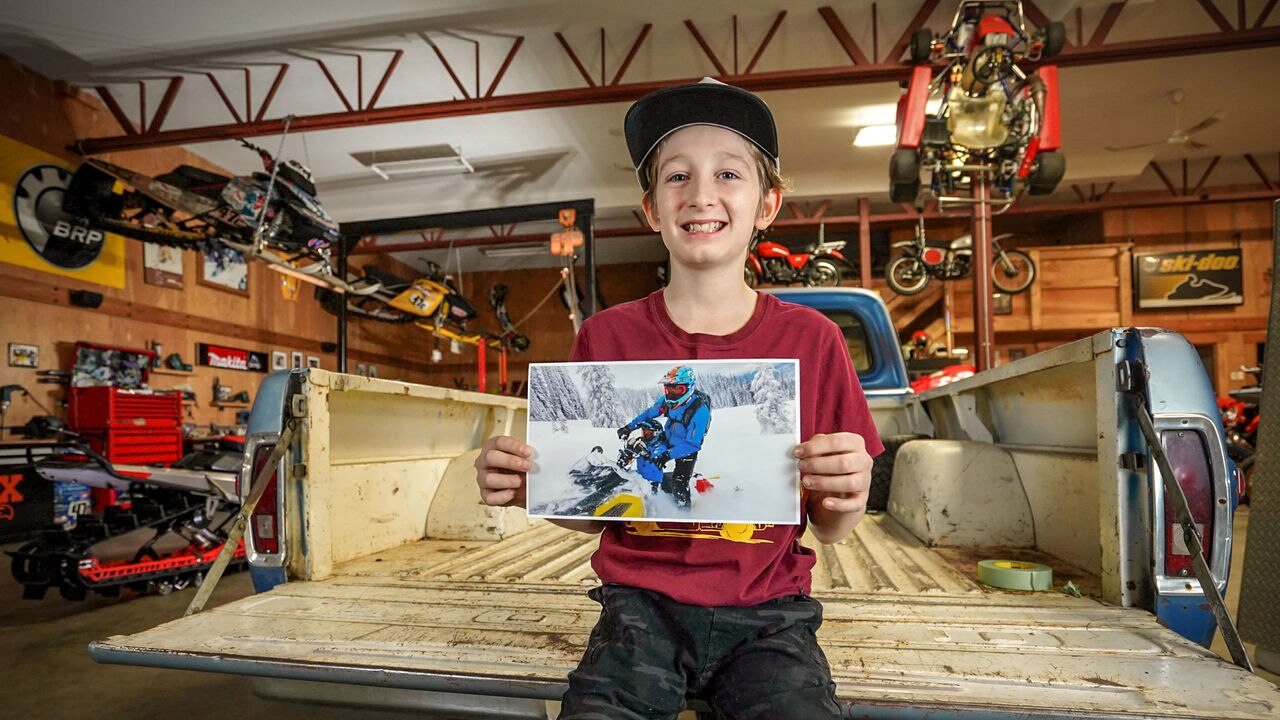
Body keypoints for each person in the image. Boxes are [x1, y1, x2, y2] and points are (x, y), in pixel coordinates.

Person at [475, 77, 883, 719]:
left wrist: (848, 495)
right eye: (676, 177)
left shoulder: (814, 340)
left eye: (728, 174)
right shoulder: (605, 337)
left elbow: (831, 528)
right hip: (638, 607)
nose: (701, 195)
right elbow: (593, 508)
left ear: (767, 204)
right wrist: (531, 484)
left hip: (770, 617)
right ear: (651, 210)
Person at [617, 364, 712, 508]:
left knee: (680, 484)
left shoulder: (699, 411)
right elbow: (649, 413)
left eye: (678, 389)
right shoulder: (667, 400)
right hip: (668, 438)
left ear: (688, 388)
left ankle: (684, 511)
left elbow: (693, 444)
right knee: (647, 456)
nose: (672, 393)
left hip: (686, 448)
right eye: (669, 388)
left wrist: (666, 455)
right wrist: (629, 427)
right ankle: (652, 486)